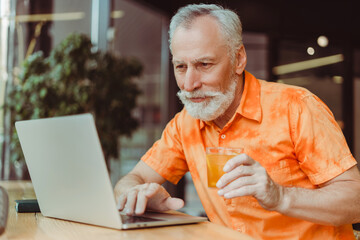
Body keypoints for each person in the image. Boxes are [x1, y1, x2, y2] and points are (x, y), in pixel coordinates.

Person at [114, 3, 360, 239]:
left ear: (239, 59)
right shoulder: (184, 125)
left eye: (205, 64)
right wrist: (137, 196)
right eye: (181, 66)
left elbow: (355, 200)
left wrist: (281, 197)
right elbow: (129, 181)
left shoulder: (297, 107)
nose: (189, 84)